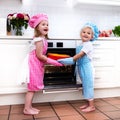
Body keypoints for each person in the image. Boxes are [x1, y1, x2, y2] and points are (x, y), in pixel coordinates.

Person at [22, 13, 63, 115]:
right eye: (43, 24)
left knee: (33, 87)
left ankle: (29, 107)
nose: (46, 26)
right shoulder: (39, 40)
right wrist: (53, 62)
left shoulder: (42, 39)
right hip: (33, 64)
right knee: (31, 88)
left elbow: (40, 56)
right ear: (37, 27)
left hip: (36, 64)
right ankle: (26, 109)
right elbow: (40, 56)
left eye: (47, 24)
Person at [58, 22, 99, 112]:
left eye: (88, 33)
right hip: (81, 67)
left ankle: (92, 106)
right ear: (81, 34)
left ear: (92, 36)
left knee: (88, 86)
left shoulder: (88, 45)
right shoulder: (81, 44)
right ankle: (88, 103)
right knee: (85, 85)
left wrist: (66, 60)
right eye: (84, 32)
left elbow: (79, 55)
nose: (85, 34)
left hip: (87, 68)